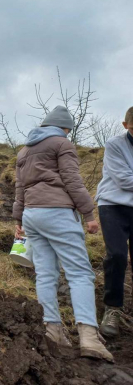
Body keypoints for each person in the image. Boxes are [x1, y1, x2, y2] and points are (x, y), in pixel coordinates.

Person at [13, 106, 113, 362]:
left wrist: (18, 219)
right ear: (64, 128)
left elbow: (20, 188)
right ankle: (89, 337)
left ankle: (53, 329)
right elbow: (72, 179)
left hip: (32, 216)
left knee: (45, 274)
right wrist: (89, 214)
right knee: (79, 273)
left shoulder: (24, 150)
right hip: (57, 212)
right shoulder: (62, 144)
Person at [96, 106, 133, 338]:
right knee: (117, 255)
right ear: (125, 125)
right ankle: (113, 308)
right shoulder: (114, 145)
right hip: (113, 205)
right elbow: (123, 180)